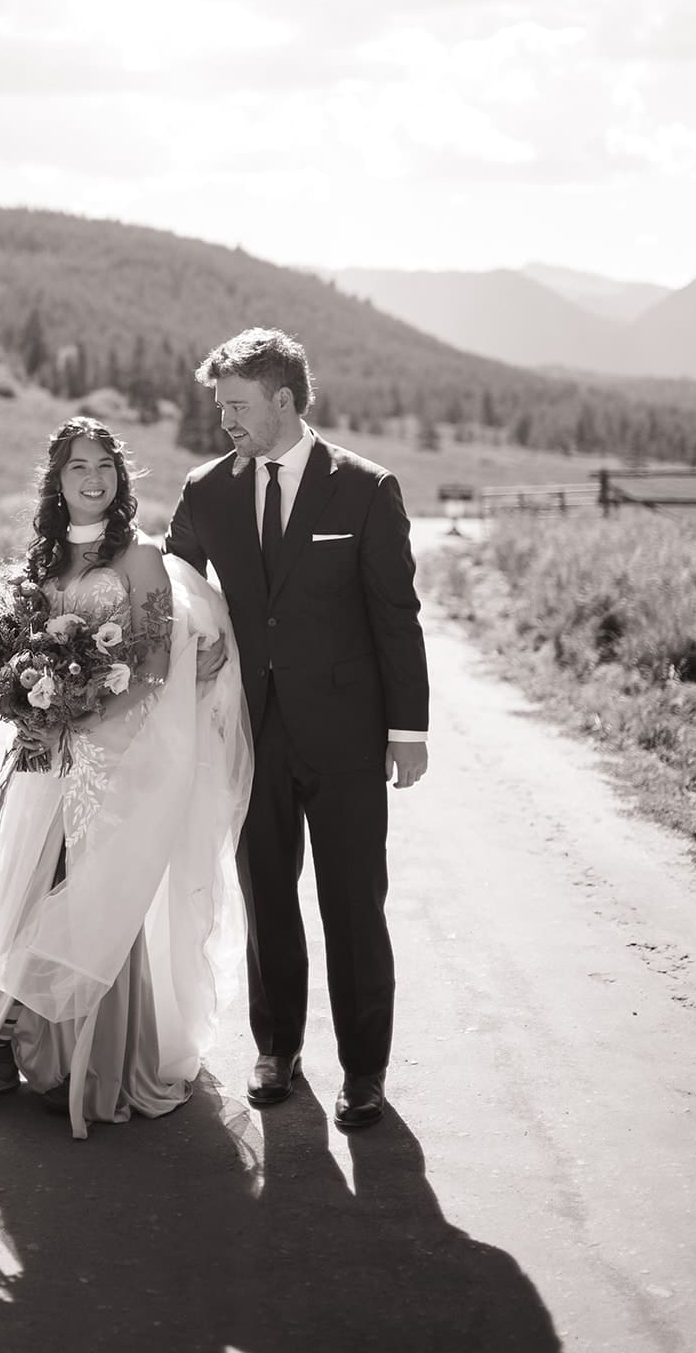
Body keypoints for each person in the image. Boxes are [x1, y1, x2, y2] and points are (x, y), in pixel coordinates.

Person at [0, 417, 252, 1140]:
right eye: (76, 468)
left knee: (91, 890)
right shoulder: (37, 565)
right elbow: (20, 656)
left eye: (103, 466)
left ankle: (78, 1057)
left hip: (117, 752)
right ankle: (2, 1044)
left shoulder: (142, 557)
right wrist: (26, 705)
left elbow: (155, 664)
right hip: (48, 753)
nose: (92, 478)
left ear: (120, 478)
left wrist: (82, 713)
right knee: (30, 881)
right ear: (56, 481)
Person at [164, 328, 429, 1130]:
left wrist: (406, 730)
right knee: (266, 898)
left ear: (284, 401)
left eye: (237, 407)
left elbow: (394, 616)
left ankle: (364, 1070)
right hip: (249, 734)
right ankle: (275, 1049)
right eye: (220, 409)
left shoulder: (364, 489)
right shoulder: (206, 490)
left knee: (353, 904)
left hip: (348, 737)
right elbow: (170, 596)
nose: (226, 424)